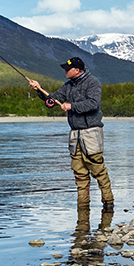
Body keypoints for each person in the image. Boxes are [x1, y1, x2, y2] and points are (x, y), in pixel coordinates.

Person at [28, 57, 114, 211]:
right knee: (79, 174)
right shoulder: (68, 86)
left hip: (91, 132)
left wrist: (71, 106)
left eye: (68, 69)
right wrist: (39, 90)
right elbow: (53, 100)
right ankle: (83, 209)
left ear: (77, 70)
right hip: (75, 135)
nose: (65, 71)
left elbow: (93, 104)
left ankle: (108, 204)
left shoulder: (93, 82)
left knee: (98, 170)